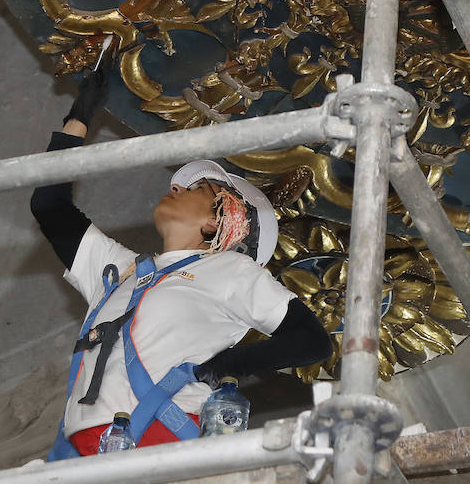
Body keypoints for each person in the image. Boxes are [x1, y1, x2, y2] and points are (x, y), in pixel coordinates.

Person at [31, 41, 331, 458]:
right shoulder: (121, 271)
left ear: (216, 221)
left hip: (154, 445)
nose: (174, 186)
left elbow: (312, 340)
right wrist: (79, 117)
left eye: (195, 189)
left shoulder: (229, 271)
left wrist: (229, 366)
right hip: (81, 452)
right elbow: (50, 207)